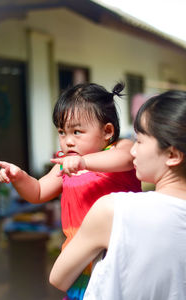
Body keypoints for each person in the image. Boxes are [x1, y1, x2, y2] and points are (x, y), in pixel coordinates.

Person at [0, 82, 141, 300]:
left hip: (119, 252)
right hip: (80, 258)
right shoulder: (64, 164)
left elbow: (127, 159)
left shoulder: (120, 147)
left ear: (107, 131)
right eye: (62, 132)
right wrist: (20, 177)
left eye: (77, 131)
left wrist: (83, 162)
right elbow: (38, 191)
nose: (68, 140)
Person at [50, 90, 186, 300]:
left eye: (139, 141)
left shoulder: (112, 211)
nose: (132, 151)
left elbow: (59, 279)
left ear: (172, 155)